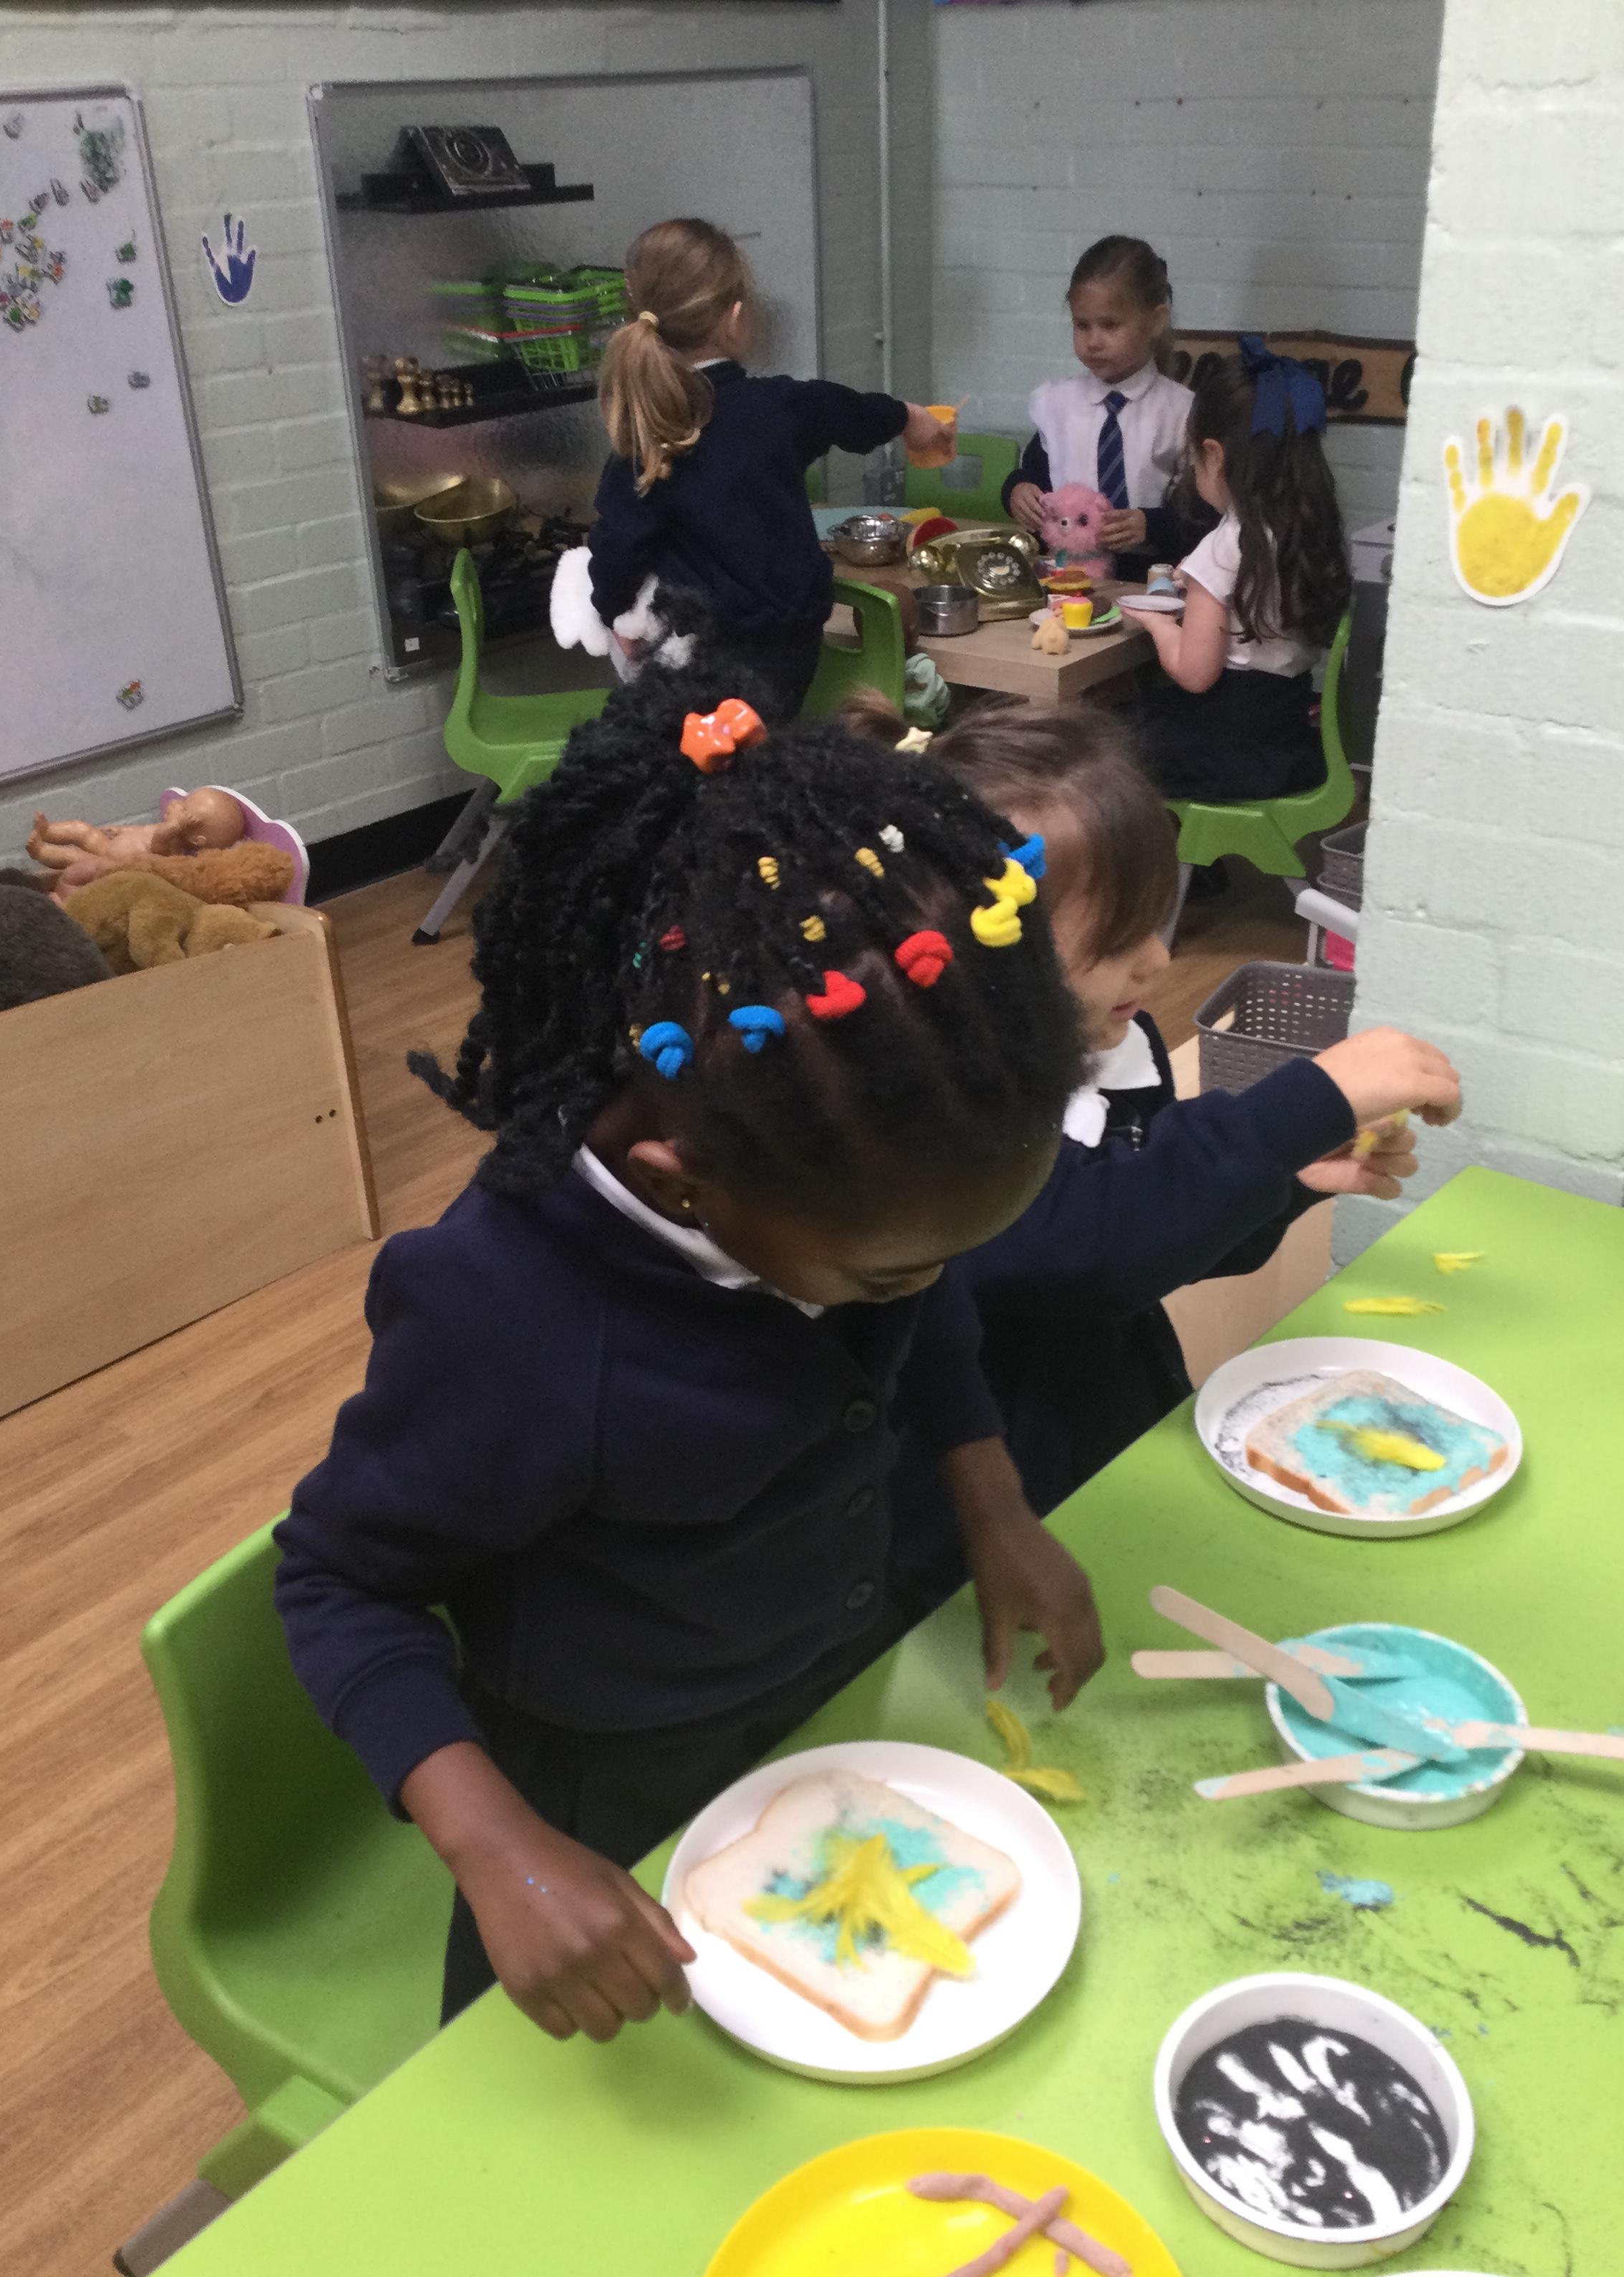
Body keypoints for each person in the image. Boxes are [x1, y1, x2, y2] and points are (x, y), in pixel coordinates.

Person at [274, 657, 1105, 2042]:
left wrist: (992, 1499)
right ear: (681, 1181)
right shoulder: (510, 1313)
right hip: (604, 1810)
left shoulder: (848, 1183)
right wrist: (497, 1845)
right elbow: (336, 1582)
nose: (918, 1283)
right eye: (889, 1269)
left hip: (813, 1707)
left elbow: (919, 1308)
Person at [840, 696, 1462, 1625]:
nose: (1160, 960)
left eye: (1157, 920)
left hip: (1106, 1438)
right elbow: (1088, 1241)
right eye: (1115, 939)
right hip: (957, 1538)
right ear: (974, 950)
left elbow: (1158, 1228)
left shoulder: (1116, 1047)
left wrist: (1286, 1179)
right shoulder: (928, 1118)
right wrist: (1297, 1109)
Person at [583, 217, 954, 717]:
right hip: (788, 655)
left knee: (701, 754)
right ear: (734, 318)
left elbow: (617, 546)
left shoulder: (649, 438)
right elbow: (851, 413)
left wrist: (615, 613)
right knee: (759, 747)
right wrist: (910, 417)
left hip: (695, 659)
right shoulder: (780, 409)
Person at [1127, 339, 1353, 804]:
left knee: (1109, 741)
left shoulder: (1225, 545)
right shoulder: (1307, 532)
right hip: (1287, 737)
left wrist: (1157, 624)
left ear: (1214, 455)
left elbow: (1195, 673)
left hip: (1226, 749)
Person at [1002, 234, 1215, 579]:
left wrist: (1151, 525)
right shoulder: (1058, 404)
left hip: (1148, 583)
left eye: (1110, 325)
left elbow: (1203, 515)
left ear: (1155, 322)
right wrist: (1016, 490)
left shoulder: (1181, 412)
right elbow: (1034, 474)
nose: (1093, 341)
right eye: (1082, 325)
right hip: (1066, 577)